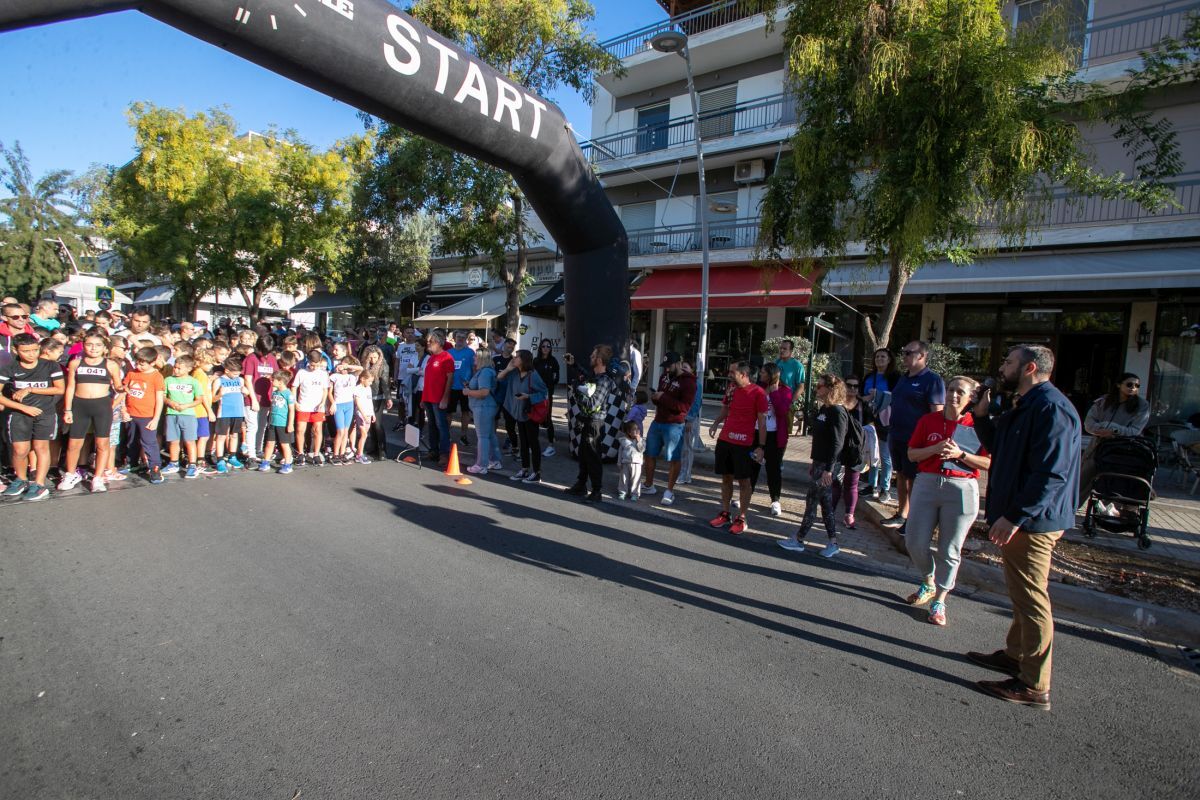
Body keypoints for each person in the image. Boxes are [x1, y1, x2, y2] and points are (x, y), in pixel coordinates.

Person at [968, 345, 1081, 711]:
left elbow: (1052, 474)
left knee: (1032, 599)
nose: (1002, 366)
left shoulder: (1052, 408)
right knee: (1021, 592)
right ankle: (1016, 654)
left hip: (1033, 521)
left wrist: (1015, 516)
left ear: (1030, 367)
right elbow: (999, 446)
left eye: (1009, 361)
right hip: (1023, 517)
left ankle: (1033, 683)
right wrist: (982, 416)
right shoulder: (1026, 403)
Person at [904, 376, 992, 626]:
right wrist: (935, 449)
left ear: (970, 398)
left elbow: (988, 463)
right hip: (927, 483)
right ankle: (928, 580)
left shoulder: (978, 425)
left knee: (950, 549)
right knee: (914, 541)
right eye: (950, 390)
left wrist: (960, 454)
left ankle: (940, 600)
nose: (953, 395)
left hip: (961, 488)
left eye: (960, 392)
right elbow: (911, 454)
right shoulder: (928, 420)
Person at [778, 374, 848, 557]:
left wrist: (829, 470)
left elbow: (837, 443)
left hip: (827, 464)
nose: (817, 389)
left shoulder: (838, 412)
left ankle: (799, 539)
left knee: (812, 500)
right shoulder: (825, 408)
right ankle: (833, 543)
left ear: (831, 389)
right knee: (824, 503)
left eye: (820, 386)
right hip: (819, 462)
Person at [881, 341, 945, 532]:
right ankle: (902, 514)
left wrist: (932, 442)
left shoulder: (932, 380)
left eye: (909, 353)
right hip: (897, 435)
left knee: (915, 480)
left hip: (917, 441)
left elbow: (937, 414)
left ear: (922, 356)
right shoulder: (903, 378)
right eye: (904, 352)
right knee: (900, 475)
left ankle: (914, 521)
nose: (905, 356)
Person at [0, 333, 66, 501]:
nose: (31, 354)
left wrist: (30, 389)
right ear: (15, 350)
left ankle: (39, 484)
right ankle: (21, 480)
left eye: (35, 350)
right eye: (26, 351)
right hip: (19, 414)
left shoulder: (51, 365)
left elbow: (59, 389)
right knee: (19, 450)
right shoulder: (9, 368)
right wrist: (22, 407)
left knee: (40, 448)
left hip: (45, 413)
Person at [707, 361, 768, 535]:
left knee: (744, 482)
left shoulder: (758, 392)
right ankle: (725, 513)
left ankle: (741, 518)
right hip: (725, 440)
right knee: (726, 478)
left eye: (733, 372)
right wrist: (715, 423)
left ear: (744, 374)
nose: (729, 374)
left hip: (744, 444)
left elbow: (762, 423)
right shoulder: (731, 389)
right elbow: (726, 409)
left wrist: (761, 447)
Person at [59, 331, 122, 492]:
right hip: (80, 406)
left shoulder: (111, 364)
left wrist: (117, 399)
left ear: (104, 348)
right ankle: (70, 474)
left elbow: (119, 387)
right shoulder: (76, 363)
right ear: (83, 345)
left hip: (101, 406)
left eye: (98, 345)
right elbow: (70, 387)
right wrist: (68, 409)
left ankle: (98, 477)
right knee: (74, 443)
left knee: (102, 443)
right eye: (89, 344)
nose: (93, 348)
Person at [638, 351, 697, 506]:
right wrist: (656, 398)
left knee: (673, 458)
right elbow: (661, 397)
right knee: (649, 453)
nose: (667, 369)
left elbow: (684, 407)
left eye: (670, 365)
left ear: (678, 363)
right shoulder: (664, 377)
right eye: (665, 366)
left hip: (674, 425)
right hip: (658, 421)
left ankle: (669, 491)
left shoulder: (689, 382)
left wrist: (663, 397)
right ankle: (649, 484)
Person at [1080, 372, 1151, 496]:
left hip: (1123, 450)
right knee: (1083, 479)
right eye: (1129, 384)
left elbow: (1135, 430)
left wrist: (1113, 430)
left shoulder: (1142, 406)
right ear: (1119, 385)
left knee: (1113, 485)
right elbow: (1088, 424)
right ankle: (1070, 509)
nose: (1133, 388)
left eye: (1137, 385)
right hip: (1098, 445)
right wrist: (1102, 429)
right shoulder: (1103, 401)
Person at [565, 344, 620, 502]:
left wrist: (577, 390)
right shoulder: (596, 377)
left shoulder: (603, 381)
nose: (590, 357)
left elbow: (592, 403)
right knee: (583, 455)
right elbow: (587, 376)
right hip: (588, 422)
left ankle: (597, 491)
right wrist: (574, 364)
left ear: (600, 360)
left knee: (593, 457)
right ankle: (581, 485)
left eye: (593, 356)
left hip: (595, 423)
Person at [499, 349, 548, 484]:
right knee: (524, 443)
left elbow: (544, 393)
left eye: (517, 357)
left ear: (524, 360)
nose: (514, 358)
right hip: (519, 413)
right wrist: (508, 369)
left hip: (530, 414)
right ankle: (525, 469)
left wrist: (529, 397)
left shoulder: (533, 375)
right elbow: (499, 378)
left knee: (533, 443)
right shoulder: (514, 373)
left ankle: (537, 473)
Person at [833, 375, 874, 529]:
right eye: (849, 385)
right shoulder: (836, 404)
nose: (852, 389)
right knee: (834, 481)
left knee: (852, 483)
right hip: (837, 449)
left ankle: (849, 514)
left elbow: (871, 429)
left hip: (856, 450)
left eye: (855, 386)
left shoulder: (864, 406)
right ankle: (830, 511)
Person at [751, 362, 792, 516]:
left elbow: (782, 411)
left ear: (771, 374)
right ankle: (747, 494)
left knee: (773, 469)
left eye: (763, 373)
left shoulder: (785, 390)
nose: (761, 375)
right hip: (756, 431)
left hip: (774, 435)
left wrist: (774, 393)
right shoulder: (758, 388)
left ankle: (775, 500)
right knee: (752, 464)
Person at [123, 346, 166, 485]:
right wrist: (124, 410)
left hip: (147, 416)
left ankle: (155, 468)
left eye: (142, 363)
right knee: (131, 440)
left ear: (152, 363)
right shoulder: (132, 373)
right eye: (137, 362)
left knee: (149, 443)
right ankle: (132, 462)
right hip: (131, 413)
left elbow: (159, 399)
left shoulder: (156, 376)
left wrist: (155, 419)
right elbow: (125, 391)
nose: (138, 366)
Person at [863, 348, 899, 501]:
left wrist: (878, 395)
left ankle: (885, 488)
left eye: (883, 356)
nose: (879, 359)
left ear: (889, 359)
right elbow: (862, 395)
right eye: (877, 356)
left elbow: (897, 397)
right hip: (870, 420)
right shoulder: (869, 376)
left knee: (885, 455)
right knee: (872, 452)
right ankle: (872, 485)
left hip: (886, 422)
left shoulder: (895, 377)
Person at [160, 355, 204, 479]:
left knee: (189, 441)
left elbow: (199, 399)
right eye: (175, 367)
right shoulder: (168, 380)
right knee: (174, 440)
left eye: (179, 368)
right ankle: (173, 463)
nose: (176, 370)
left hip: (188, 414)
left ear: (188, 369)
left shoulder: (193, 382)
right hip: (172, 413)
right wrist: (170, 402)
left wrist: (186, 406)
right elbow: (163, 396)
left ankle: (192, 465)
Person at [463, 348, 503, 474]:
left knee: (482, 437)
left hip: (483, 407)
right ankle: (495, 461)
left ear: (481, 358)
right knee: (489, 435)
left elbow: (484, 392)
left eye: (476, 356)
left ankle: (481, 464)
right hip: (486, 407)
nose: (474, 358)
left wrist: (468, 391)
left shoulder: (485, 372)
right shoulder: (485, 371)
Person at [212, 357, 255, 474]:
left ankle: (232, 456)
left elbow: (245, 393)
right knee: (221, 436)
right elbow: (212, 398)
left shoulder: (240, 380)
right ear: (227, 370)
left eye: (238, 373)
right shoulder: (219, 381)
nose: (237, 375)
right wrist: (219, 394)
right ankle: (220, 460)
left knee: (234, 435)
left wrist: (246, 393)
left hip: (238, 412)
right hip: (224, 413)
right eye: (235, 373)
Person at [291, 349, 332, 467]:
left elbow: (325, 390)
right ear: (308, 361)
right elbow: (294, 387)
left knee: (317, 430)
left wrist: (323, 403)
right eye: (312, 365)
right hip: (303, 404)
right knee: (300, 429)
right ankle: (300, 454)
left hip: (317, 406)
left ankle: (316, 454)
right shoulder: (302, 372)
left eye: (317, 365)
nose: (314, 367)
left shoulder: (323, 374)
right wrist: (295, 402)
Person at [241, 334, 278, 460]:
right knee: (252, 426)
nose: (265, 355)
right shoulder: (251, 358)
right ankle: (251, 454)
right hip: (252, 398)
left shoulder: (272, 359)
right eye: (263, 351)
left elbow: (276, 376)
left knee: (262, 425)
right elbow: (247, 378)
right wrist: (253, 399)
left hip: (266, 398)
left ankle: (258, 449)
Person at [422, 330, 456, 468]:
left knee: (442, 426)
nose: (428, 344)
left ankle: (444, 454)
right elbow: (427, 380)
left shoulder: (446, 357)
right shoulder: (430, 358)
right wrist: (423, 398)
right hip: (429, 397)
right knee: (431, 425)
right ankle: (433, 450)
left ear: (439, 343)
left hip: (439, 398)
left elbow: (450, 379)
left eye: (431, 341)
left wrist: (445, 398)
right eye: (428, 341)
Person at [258, 369, 296, 474]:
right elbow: (272, 407)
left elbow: (292, 410)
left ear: (280, 381)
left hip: (283, 423)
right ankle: (265, 462)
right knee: (269, 443)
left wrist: (290, 424)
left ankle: (288, 464)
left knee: (284, 444)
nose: (271, 381)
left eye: (273, 380)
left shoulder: (288, 394)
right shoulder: (275, 393)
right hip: (272, 422)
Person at [360, 345, 392, 461]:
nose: (373, 360)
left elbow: (384, 382)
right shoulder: (365, 364)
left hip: (378, 396)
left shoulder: (383, 365)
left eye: (375, 357)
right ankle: (373, 447)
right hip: (367, 396)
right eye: (371, 358)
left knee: (377, 423)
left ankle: (382, 450)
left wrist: (388, 398)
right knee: (370, 424)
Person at [329, 356, 363, 465]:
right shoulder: (334, 376)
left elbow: (360, 368)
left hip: (349, 405)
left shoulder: (352, 377)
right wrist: (333, 403)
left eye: (345, 366)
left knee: (346, 431)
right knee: (340, 431)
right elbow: (330, 392)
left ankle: (342, 453)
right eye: (341, 365)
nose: (343, 368)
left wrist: (347, 366)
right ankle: (335, 454)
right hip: (339, 404)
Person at [532, 339, 561, 457]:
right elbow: (531, 376)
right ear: (540, 348)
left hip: (547, 394)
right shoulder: (535, 361)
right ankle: (533, 444)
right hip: (535, 393)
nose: (545, 348)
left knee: (547, 417)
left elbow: (556, 378)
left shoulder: (553, 361)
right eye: (543, 346)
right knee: (534, 418)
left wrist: (548, 387)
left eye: (548, 346)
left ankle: (551, 445)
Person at [678, 362, 704, 485]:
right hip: (680, 418)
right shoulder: (680, 381)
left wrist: (690, 419)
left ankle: (685, 475)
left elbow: (697, 403)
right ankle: (681, 472)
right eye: (682, 367)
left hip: (689, 419)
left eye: (686, 367)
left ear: (692, 370)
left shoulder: (696, 383)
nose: (683, 369)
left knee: (687, 448)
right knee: (681, 447)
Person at [447, 330, 475, 447]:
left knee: (465, 412)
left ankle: (463, 435)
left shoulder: (470, 352)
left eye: (464, 337)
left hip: (465, 387)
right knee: (449, 412)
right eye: (459, 336)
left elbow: (474, 369)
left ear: (466, 339)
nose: (461, 338)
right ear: (454, 338)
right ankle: (446, 434)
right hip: (451, 386)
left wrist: (472, 382)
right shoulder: (448, 352)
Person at [492, 337, 518, 455]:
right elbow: (492, 375)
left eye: (512, 345)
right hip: (497, 394)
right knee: (494, 418)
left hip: (509, 395)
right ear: (504, 345)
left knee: (509, 421)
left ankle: (510, 440)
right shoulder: (495, 358)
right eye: (509, 344)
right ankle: (492, 439)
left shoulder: (515, 361)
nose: (510, 347)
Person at [775, 337, 806, 429]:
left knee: (783, 433)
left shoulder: (797, 366)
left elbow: (801, 387)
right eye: (781, 348)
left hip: (787, 403)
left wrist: (791, 402)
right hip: (775, 401)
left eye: (785, 349)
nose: (781, 350)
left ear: (791, 351)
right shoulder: (777, 362)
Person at [616, 420, 645, 501]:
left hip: (637, 463)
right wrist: (619, 462)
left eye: (638, 429)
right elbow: (620, 452)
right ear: (629, 432)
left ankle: (635, 494)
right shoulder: (623, 441)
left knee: (636, 479)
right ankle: (622, 492)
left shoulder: (641, 440)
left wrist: (639, 441)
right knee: (623, 478)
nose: (637, 430)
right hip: (625, 462)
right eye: (634, 429)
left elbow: (642, 450)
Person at [351, 371, 376, 464]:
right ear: (362, 379)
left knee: (365, 435)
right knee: (364, 434)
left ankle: (360, 452)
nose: (370, 383)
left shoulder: (368, 388)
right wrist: (363, 414)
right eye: (369, 381)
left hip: (368, 413)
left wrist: (372, 413)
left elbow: (370, 402)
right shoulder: (357, 389)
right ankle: (359, 455)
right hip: (361, 414)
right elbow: (357, 403)